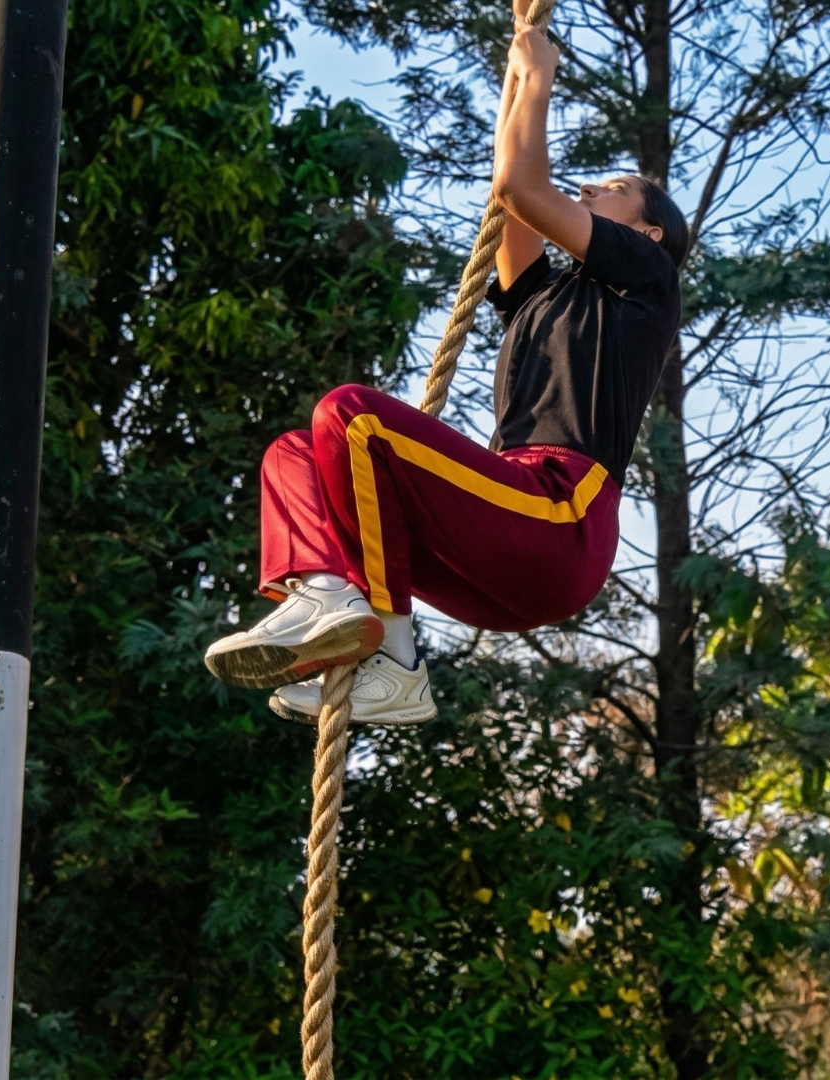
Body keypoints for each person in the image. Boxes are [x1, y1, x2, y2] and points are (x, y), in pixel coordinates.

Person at [201, 6, 686, 725]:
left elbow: (530, 189)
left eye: (610, 187)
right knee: (294, 455)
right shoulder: (545, 297)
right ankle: (350, 618)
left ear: (646, 230)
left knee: (351, 415)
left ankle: (379, 643)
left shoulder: (645, 276)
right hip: (502, 550)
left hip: (558, 519)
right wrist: (519, 83)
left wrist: (543, 82)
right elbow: (510, 195)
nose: (589, 190)